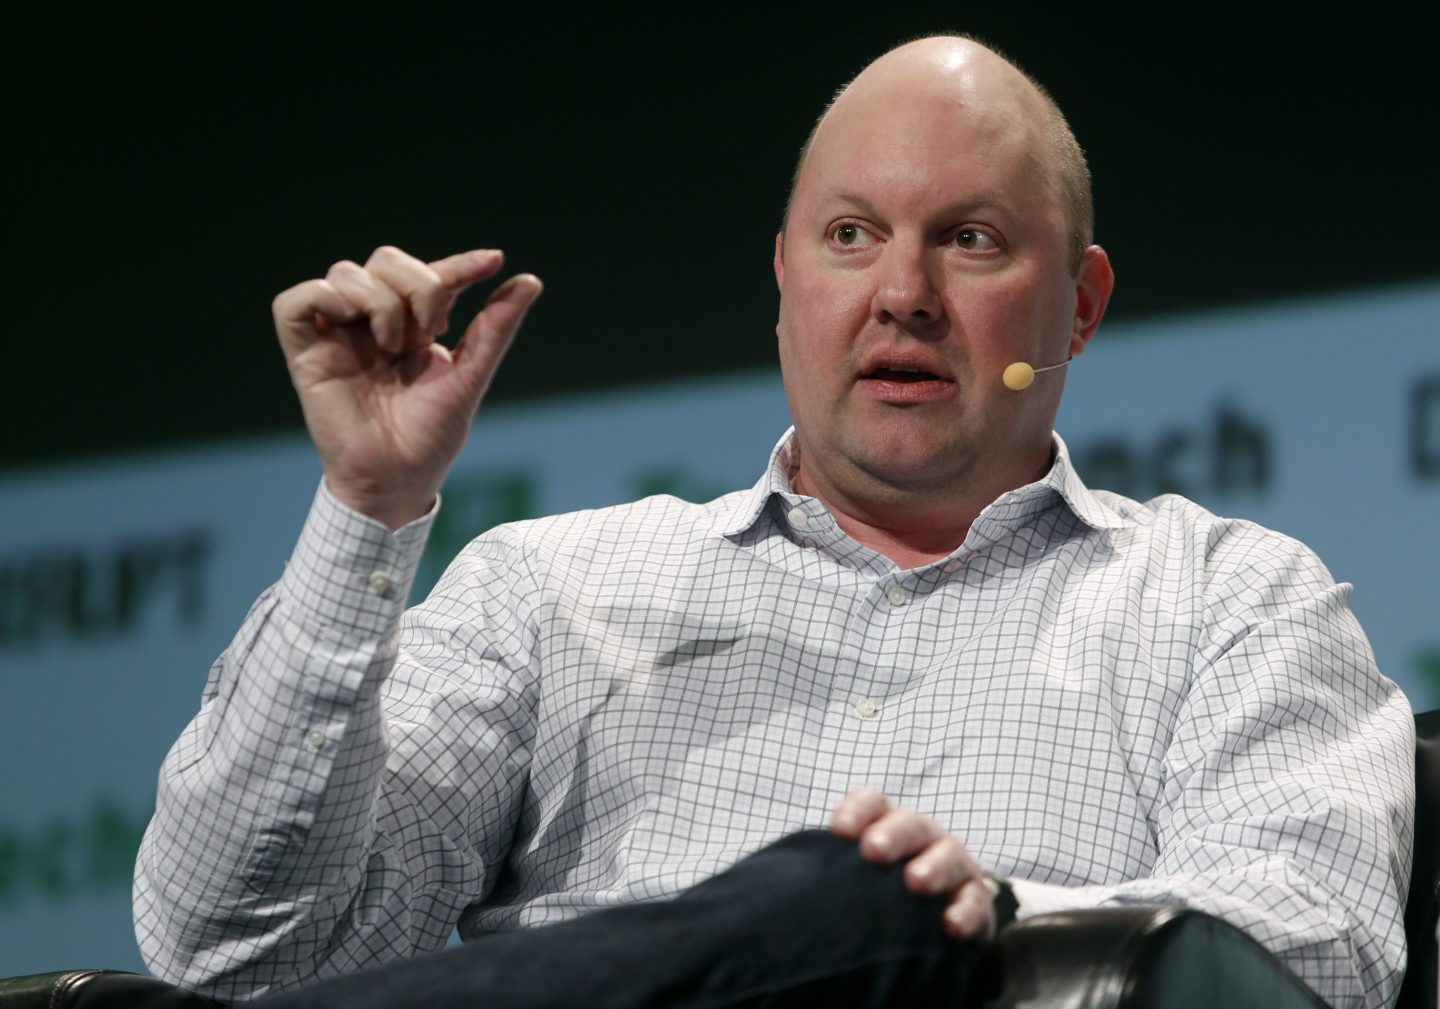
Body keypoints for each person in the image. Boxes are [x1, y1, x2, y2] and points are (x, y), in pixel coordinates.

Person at [133, 34, 1415, 1009]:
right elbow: (239, 953)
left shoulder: (1229, 598)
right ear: (786, 282)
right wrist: (366, 510)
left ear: (1078, 306)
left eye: (970, 240)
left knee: (871, 904)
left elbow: (1310, 947)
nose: (901, 293)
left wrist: (991, 924)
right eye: (851, 236)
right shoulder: (546, 589)